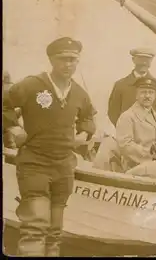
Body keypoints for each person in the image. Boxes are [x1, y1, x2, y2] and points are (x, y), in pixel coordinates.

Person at [2, 37, 97, 256]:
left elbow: (89, 117)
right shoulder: (32, 85)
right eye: (63, 59)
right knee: (35, 227)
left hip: (64, 168)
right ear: (51, 59)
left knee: (55, 232)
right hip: (34, 164)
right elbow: (5, 104)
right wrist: (13, 127)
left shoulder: (80, 93)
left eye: (73, 60)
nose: (68, 64)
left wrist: (84, 133)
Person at [115, 77, 156, 172]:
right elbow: (125, 146)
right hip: (134, 167)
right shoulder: (127, 116)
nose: (147, 96)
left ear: (155, 96)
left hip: (155, 163)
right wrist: (150, 154)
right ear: (136, 95)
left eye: (151, 92)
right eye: (143, 92)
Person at [108, 47, 156, 127]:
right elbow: (113, 112)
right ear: (133, 60)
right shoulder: (120, 85)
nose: (144, 63)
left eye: (147, 60)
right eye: (140, 59)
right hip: (127, 133)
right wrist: (123, 128)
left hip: (151, 134)